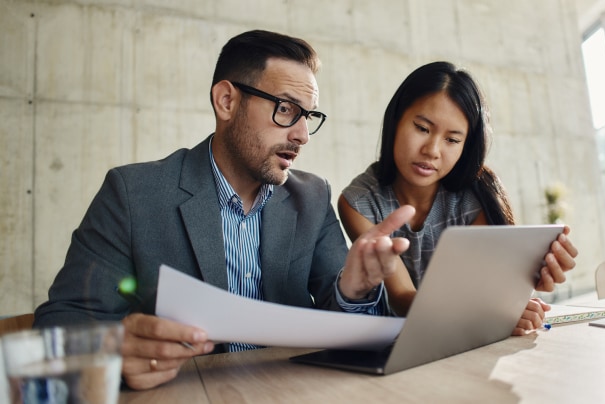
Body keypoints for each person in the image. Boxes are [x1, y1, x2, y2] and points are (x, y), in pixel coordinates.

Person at [33, 30, 415, 391]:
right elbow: (60, 325)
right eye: (285, 109)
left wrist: (355, 288)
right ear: (226, 101)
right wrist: (114, 348)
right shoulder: (133, 194)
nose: (300, 134)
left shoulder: (312, 197)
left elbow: (343, 330)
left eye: (308, 116)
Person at [338, 61, 579, 334]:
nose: (432, 150)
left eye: (452, 140)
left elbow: (487, 286)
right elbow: (403, 297)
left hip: (470, 340)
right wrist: (485, 313)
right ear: (395, 121)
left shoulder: (477, 196)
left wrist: (523, 285)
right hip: (403, 343)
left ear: (466, 146)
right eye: (422, 128)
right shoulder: (359, 202)